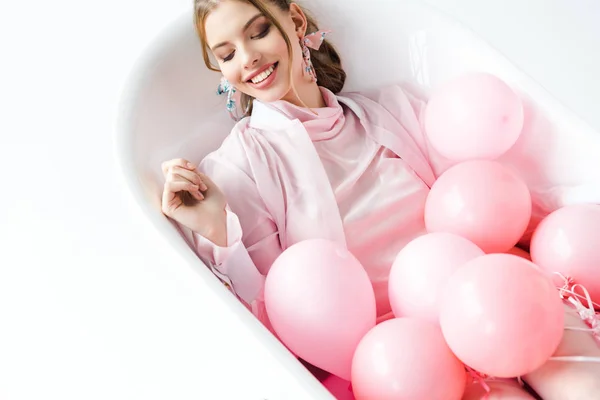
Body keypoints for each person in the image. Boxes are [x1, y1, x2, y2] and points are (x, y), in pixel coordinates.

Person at [160, 0, 600, 398]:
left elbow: (482, 195)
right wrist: (217, 228)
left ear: (293, 20)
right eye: (228, 53)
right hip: (404, 358)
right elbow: (273, 315)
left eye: (258, 32)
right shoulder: (238, 166)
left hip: (488, 291)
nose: (249, 57)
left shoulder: (391, 108)